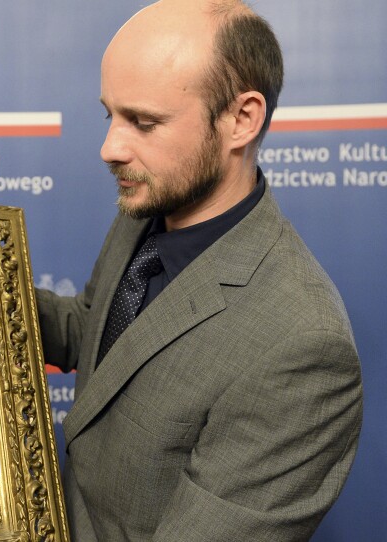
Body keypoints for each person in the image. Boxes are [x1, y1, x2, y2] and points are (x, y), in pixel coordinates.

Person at [35, 1, 363, 540]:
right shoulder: (149, 206)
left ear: (241, 119)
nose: (109, 148)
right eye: (110, 115)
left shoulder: (304, 348)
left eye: (144, 122)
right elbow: (91, 329)